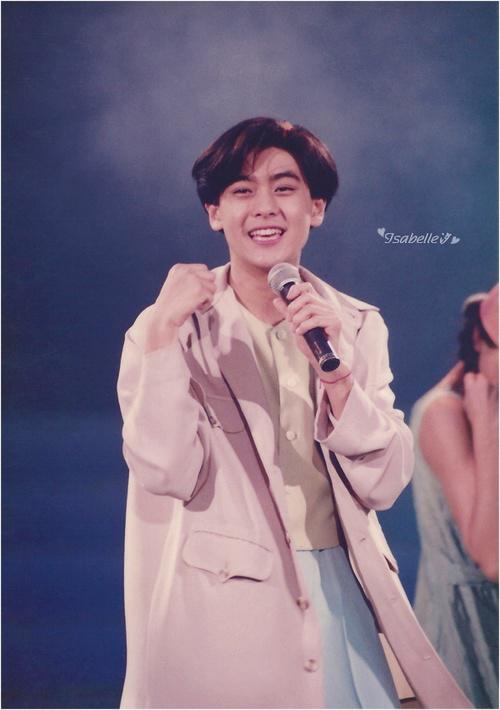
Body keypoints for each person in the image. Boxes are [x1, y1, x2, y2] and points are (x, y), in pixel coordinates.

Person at [117, 117, 471, 709]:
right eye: (242, 190)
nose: (265, 207)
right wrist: (161, 333)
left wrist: (338, 378)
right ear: (215, 213)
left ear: (316, 207)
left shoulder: (354, 324)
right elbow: (165, 471)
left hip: (341, 590)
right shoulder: (171, 326)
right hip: (223, 605)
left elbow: (384, 483)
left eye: (284, 187)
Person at [411, 285, 499, 709]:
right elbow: (491, 557)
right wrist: (486, 428)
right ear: (479, 340)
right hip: (467, 631)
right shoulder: (444, 413)